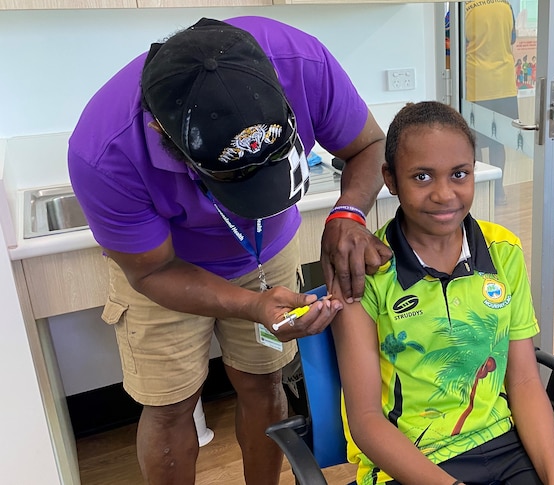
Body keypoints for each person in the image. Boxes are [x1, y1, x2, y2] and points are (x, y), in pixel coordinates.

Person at [67, 16, 391, 484]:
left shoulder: (298, 61)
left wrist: (349, 214)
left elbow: (370, 145)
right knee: (170, 404)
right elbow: (151, 271)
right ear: (162, 132)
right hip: (166, 269)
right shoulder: (104, 151)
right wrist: (251, 305)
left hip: (267, 251)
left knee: (264, 384)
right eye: (235, 182)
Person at [331, 101, 554, 485]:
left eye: (459, 174)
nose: (444, 194)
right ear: (391, 179)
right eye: (422, 177)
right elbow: (365, 422)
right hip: (414, 459)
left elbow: (525, 382)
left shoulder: (503, 251)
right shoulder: (365, 270)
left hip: (508, 440)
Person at [464, 0, 520, 205]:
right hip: (504, 83)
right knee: (499, 142)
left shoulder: (466, 8)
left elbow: (453, 42)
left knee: (474, 142)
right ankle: (498, 192)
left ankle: (479, 192)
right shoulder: (506, 5)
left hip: (477, 84)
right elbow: (512, 38)